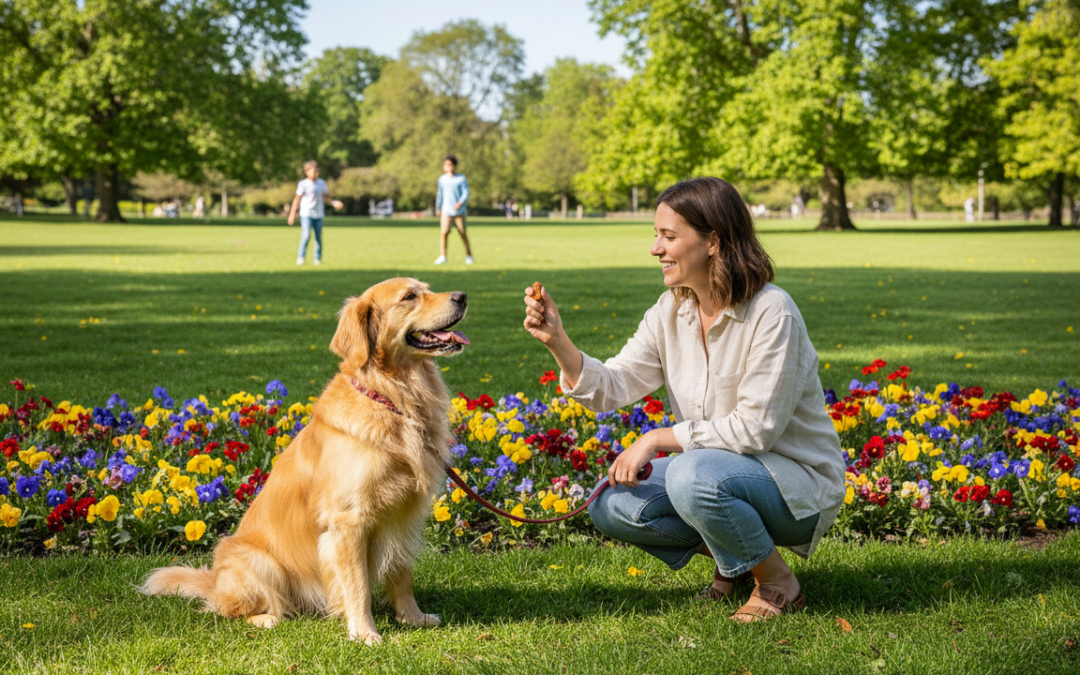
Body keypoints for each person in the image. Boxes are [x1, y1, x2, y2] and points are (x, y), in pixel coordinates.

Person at [523, 177, 845, 622]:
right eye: (656, 235)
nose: (656, 248)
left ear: (713, 241)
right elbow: (615, 383)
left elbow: (755, 430)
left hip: (795, 486)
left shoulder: (773, 312)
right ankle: (732, 558)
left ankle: (777, 582)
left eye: (669, 236)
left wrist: (658, 437)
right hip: (717, 472)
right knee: (610, 501)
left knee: (693, 474)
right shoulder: (671, 310)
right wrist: (558, 340)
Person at [288, 160, 343, 266]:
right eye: (314, 171)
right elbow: (297, 199)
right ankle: (301, 257)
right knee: (306, 235)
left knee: (318, 236)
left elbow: (326, 196)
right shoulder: (303, 184)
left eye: (318, 171)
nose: (316, 173)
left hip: (318, 214)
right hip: (306, 213)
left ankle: (317, 258)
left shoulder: (321, 183)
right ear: (307, 172)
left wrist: (333, 202)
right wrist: (292, 214)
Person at [434, 154, 474, 265]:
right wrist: (438, 207)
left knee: (462, 232)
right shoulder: (442, 179)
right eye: (446, 165)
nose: (448, 167)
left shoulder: (461, 178)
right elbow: (440, 194)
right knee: (444, 232)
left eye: (450, 165)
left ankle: (469, 255)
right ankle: (443, 255)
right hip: (445, 210)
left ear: (454, 166)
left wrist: (460, 202)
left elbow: (466, 192)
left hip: (459, 211)